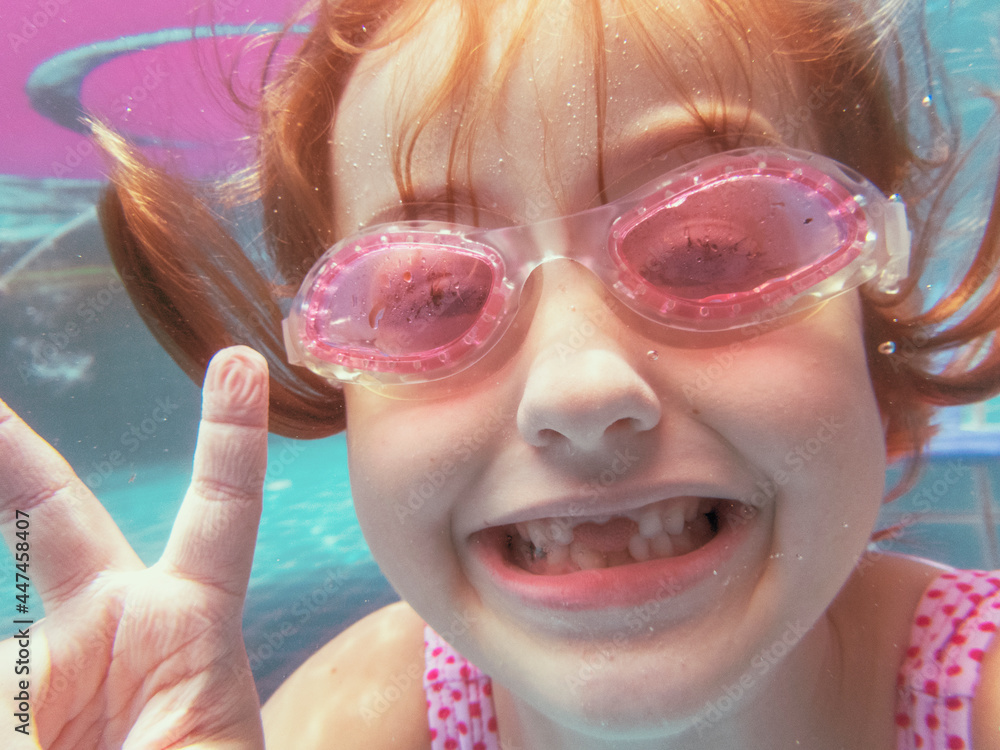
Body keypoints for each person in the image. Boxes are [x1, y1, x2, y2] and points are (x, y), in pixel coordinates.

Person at [2, 0, 1000, 747]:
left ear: (873, 327)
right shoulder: (362, 723)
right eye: (434, 296)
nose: (578, 389)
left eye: (710, 247)